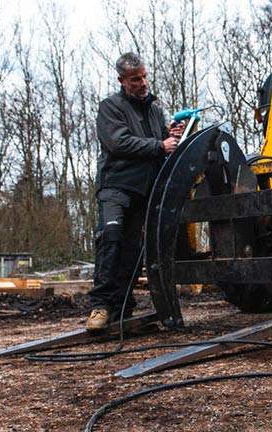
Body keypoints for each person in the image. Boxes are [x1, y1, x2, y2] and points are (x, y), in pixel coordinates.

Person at [87, 52, 184, 331]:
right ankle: (101, 306)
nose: (142, 83)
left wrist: (171, 135)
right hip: (116, 186)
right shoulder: (110, 107)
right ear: (122, 81)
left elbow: (161, 143)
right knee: (111, 237)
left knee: (133, 249)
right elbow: (119, 143)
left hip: (145, 190)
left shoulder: (155, 110)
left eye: (143, 76)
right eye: (134, 80)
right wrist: (159, 145)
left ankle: (122, 307)